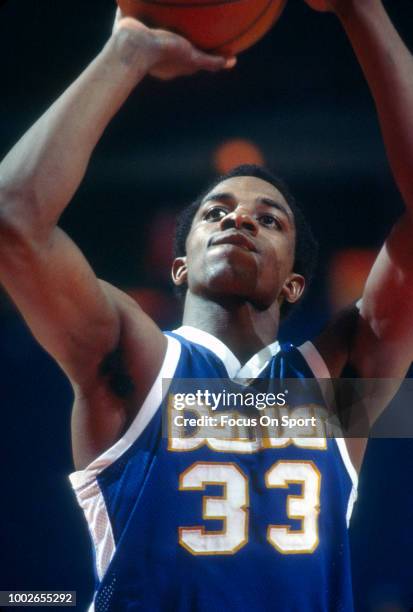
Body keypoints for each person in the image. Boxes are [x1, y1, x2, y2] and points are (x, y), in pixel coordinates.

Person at [0, 0, 412, 609]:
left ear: (294, 284)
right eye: (215, 213)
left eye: (269, 219)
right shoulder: (136, 365)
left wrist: (361, 10)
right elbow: (13, 219)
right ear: (181, 266)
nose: (239, 217)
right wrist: (127, 52)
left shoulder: (334, 390)